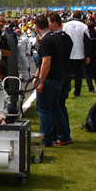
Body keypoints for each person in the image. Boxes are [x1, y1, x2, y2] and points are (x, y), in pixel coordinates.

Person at [34, 15, 71, 148]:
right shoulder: (56, 37)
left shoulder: (46, 40)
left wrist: (41, 82)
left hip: (50, 78)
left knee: (43, 109)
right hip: (59, 77)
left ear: (37, 27)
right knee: (56, 108)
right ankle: (64, 136)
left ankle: (46, 139)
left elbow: (46, 62)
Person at [48, 12, 74, 145]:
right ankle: (62, 133)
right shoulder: (67, 37)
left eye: (49, 22)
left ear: (54, 23)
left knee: (56, 107)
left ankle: (62, 134)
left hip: (60, 74)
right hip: (66, 73)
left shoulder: (56, 39)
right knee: (60, 106)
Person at [62, 10, 90, 97]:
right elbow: (87, 41)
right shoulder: (84, 26)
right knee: (78, 73)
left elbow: (62, 37)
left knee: (67, 72)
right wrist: (88, 55)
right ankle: (77, 91)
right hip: (79, 53)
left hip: (68, 52)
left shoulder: (66, 25)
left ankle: (66, 89)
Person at [83, 21, 96, 93]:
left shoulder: (87, 36)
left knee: (87, 72)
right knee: (95, 71)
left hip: (88, 54)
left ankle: (91, 88)